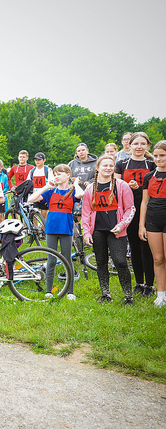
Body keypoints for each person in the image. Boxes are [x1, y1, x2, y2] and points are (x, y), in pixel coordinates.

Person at [82, 155, 135, 304]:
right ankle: (106, 294)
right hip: (98, 230)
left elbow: (130, 208)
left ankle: (128, 296)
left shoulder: (122, 185)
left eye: (111, 166)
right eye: (105, 165)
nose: (108, 168)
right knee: (101, 262)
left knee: (120, 261)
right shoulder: (90, 188)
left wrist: (122, 225)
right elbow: (86, 213)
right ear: (97, 168)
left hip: (116, 230)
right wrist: (86, 232)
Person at [29, 164, 84, 300]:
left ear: (68, 175)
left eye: (60, 174)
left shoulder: (72, 191)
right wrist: (46, 186)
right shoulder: (51, 191)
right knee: (51, 260)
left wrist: (75, 184)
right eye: (55, 174)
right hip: (51, 229)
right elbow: (31, 199)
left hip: (66, 229)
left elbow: (80, 194)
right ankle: (49, 290)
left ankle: (70, 291)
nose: (57, 176)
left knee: (67, 259)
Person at [116, 132, 157, 297]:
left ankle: (150, 284)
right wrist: (127, 186)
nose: (139, 147)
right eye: (136, 144)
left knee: (146, 247)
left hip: (148, 208)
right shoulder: (121, 163)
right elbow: (116, 187)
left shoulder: (152, 164)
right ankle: (139, 282)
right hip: (129, 209)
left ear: (147, 146)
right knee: (134, 246)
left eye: (142, 144)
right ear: (129, 145)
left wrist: (140, 188)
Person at [138, 140, 166, 307]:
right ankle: (161, 295)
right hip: (153, 220)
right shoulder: (149, 176)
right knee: (158, 258)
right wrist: (142, 225)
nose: (158, 159)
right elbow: (144, 202)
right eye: (155, 155)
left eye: (162, 155)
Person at [29, 152, 54, 220]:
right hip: (35, 194)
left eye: (39, 160)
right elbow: (29, 183)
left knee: (44, 213)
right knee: (34, 213)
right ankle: (35, 226)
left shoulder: (47, 170)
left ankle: (43, 226)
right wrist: (34, 192)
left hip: (44, 195)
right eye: (36, 160)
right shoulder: (32, 171)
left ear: (44, 160)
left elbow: (51, 182)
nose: (37, 161)